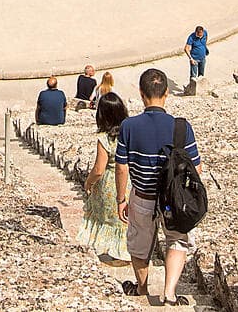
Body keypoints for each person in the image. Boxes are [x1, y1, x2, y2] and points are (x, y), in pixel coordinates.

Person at [114, 68, 203, 308]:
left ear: (142, 94)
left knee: (139, 244)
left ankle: (142, 290)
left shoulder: (129, 126)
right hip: (173, 200)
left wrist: (120, 198)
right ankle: (170, 293)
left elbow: (121, 167)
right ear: (166, 94)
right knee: (177, 240)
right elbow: (197, 168)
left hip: (142, 196)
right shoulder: (182, 128)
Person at [81, 91, 132, 264]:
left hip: (110, 182)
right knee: (125, 220)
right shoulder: (130, 132)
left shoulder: (105, 138)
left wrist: (88, 183)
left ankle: (116, 253)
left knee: (109, 218)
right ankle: (127, 252)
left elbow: (99, 169)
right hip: (130, 181)